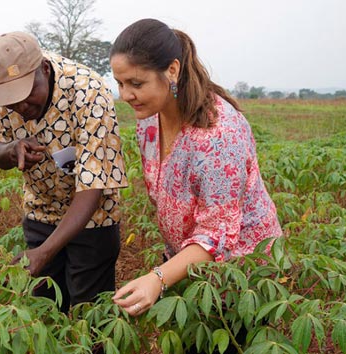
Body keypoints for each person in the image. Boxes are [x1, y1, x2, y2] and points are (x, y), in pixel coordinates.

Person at [110, 18, 282, 320]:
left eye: (136, 84)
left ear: (172, 70)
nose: (125, 95)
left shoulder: (218, 135)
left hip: (240, 275)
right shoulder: (149, 121)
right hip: (188, 265)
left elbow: (216, 235)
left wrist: (158, 278)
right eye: (120, 83)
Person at [0, 32, 128, 312]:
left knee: (90, 318)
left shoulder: (89, 91)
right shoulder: (7, 98)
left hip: (94, 220)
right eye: (12, 102)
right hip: (41, 214)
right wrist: (11, 150)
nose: (21, 107)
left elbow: (92, 187)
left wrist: (44, 253)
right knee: (45, 314)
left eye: (26, 96)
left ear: (45, 70)